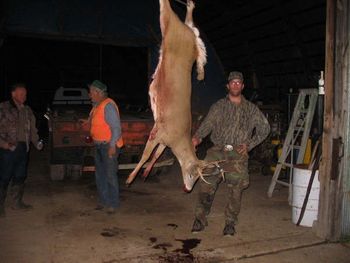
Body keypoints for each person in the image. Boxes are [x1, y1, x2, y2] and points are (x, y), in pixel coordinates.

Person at [191, 71, 270, 236]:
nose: (235, 85)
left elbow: (265, 128)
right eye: (232, 82)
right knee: (206, 182)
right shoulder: (218, 106)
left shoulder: (251, 109)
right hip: (217, 150)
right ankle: (200, 218)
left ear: (242, 86)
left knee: (236, 188)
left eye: (238, 82)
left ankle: (230, 223)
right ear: (228, 86)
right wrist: (197, 137)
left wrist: (249, 144)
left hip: (237, 154)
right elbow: (208, 124)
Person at [0, 83, 43, 217]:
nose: (24, 96)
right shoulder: (3, 108)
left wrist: (37, 143)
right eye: (21, 94)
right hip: (8, 147)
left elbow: (33, 131)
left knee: (20, 176)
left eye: (25, 94)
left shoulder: (27, 110)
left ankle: (16, 203)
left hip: (23, 148)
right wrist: (3, 144)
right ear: (13, 94)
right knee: (4, 177)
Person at [87, 80, 123, 214]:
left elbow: (116, 128)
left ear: (97, 92)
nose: (89, 95)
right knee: (100, 175)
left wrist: (112, 146)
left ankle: (113, 203)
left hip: (108, 145)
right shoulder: (97, 105)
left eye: (91, 92)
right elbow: (96, 120)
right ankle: (104, 201)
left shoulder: (108, 106)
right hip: (99, 145)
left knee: (110, 175)